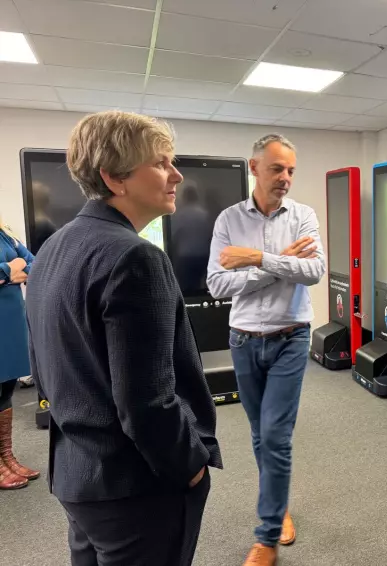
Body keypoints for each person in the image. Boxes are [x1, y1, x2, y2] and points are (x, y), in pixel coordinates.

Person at [25, 110, 223, 566]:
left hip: (77, 475)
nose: (177, 175)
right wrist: (189, 465)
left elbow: (47, 369)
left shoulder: (52, 247)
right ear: (115, 178)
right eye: (161, 163)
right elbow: (147, 401)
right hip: (136, 486)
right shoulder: (135, 257)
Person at [207, 133, 325, 566]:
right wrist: (279, 265)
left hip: (291, 336)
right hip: (243, 338)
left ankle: (267, 536)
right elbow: (218, 284)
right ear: (254, 168)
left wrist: (256, 259)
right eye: (277, 168)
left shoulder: (303, 216)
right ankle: (278, 502)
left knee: (275, 437)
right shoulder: (228, 220)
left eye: (291, 170)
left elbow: (312, 271)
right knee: (261, 435)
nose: (286, 178)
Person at [0, 218, 39, 490]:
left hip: (10, 322)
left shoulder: (4, 232)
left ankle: (6, 457)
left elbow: (33, 262)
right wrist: (7, 270)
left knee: (6, 388)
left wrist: (13, 271)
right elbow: (16, 266)